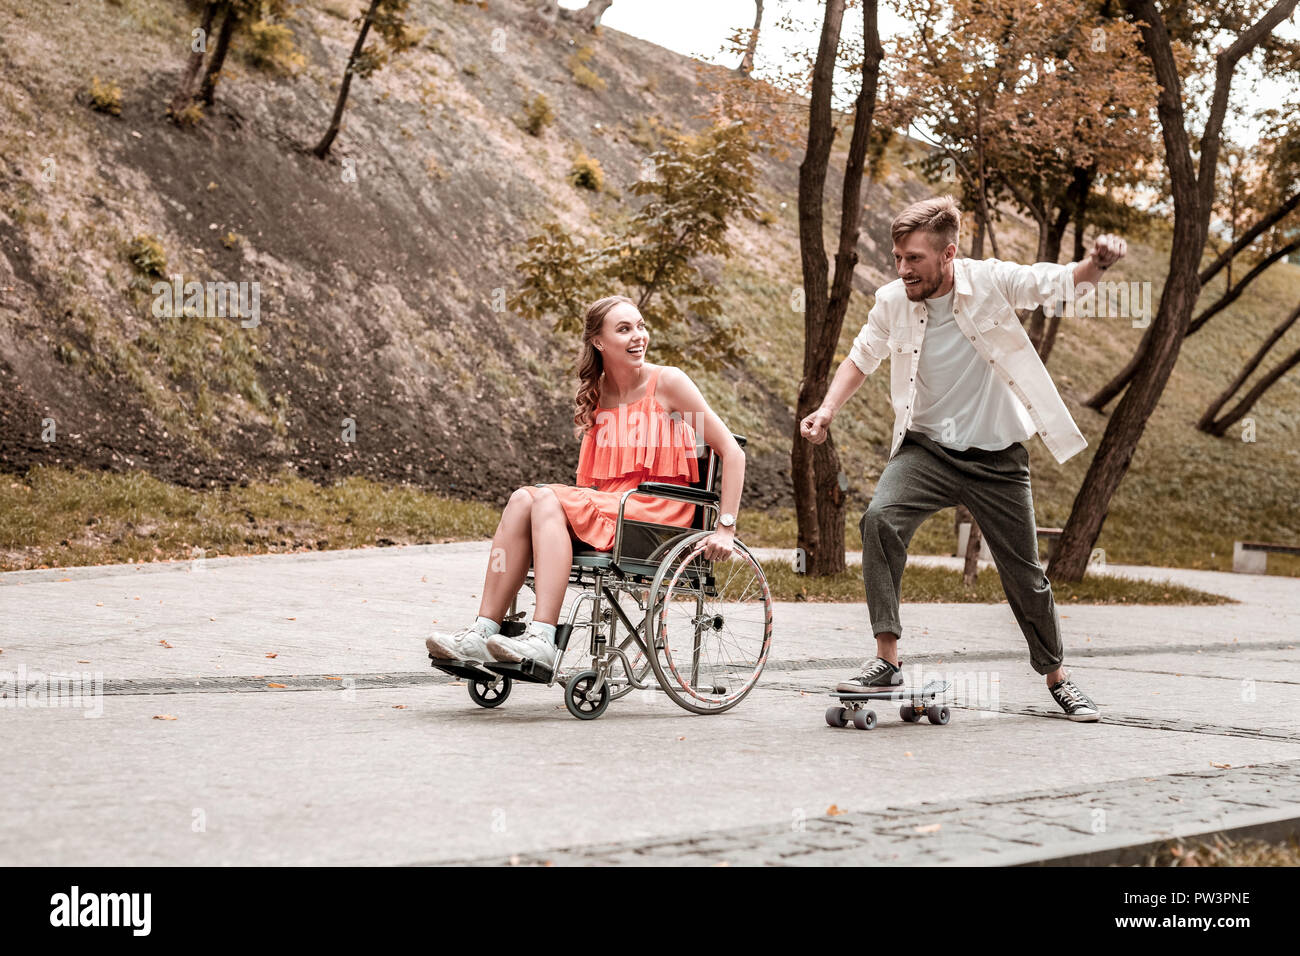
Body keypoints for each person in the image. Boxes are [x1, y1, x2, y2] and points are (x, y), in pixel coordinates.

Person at [801, 195, 1124, 722]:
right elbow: (862, 356)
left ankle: (1057, 677)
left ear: (948, 254)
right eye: (899, 257)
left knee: (1024, 575)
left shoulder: (990, 280)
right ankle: (887, 660)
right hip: (926, 450)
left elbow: (1056, 284)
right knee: (880, 520)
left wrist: (1097, 265)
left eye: (915, 260)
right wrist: (827, 409)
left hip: (996, 459)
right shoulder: (891, 300)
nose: (903, 269)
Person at [427, 294, 746, 669]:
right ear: (599, 341)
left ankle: (543, 638)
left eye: (640, 326)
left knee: (547, 499)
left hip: (655, 512)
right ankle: (483, 631)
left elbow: (731, 451)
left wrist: (725, 528)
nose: (638, 336)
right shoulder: (599, 394)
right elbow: (591, 486)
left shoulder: (669, 383)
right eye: (624, 329)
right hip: (613, 506)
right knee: (522, 499)